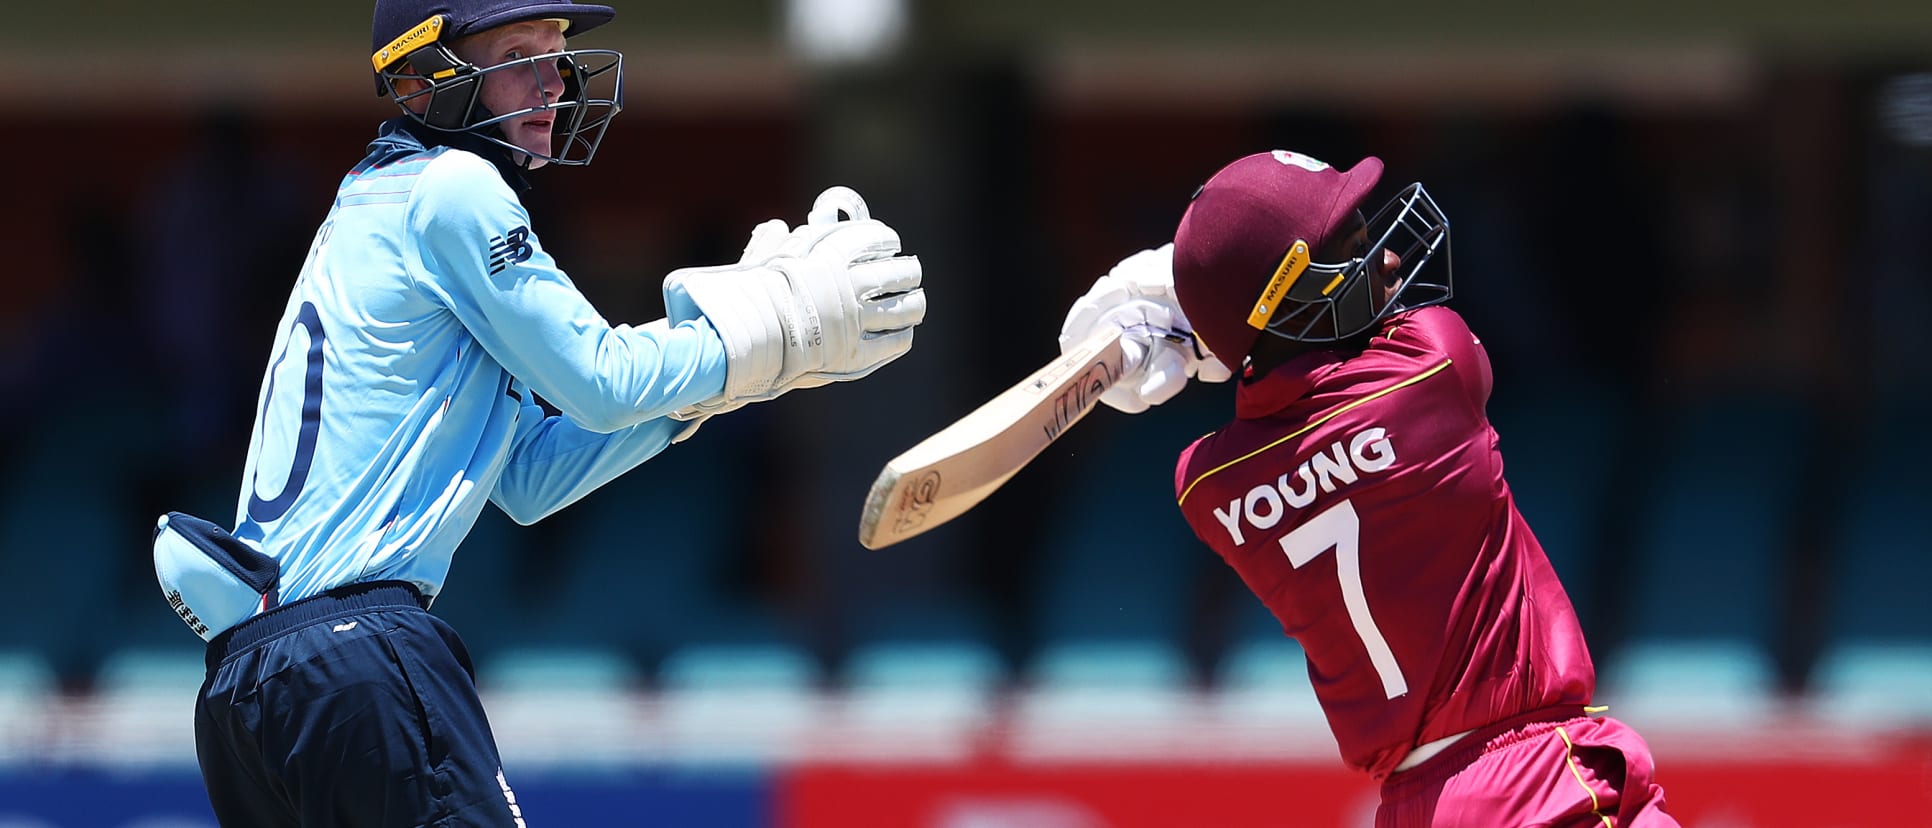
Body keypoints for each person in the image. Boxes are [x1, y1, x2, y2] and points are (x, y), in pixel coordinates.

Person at [147, 0, 925, 824]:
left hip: (256, 681)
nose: (551, 81)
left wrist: (728, 380)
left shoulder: (375, 200)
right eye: (519, 53)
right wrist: (775, 328)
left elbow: (528, 477)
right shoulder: (456, 188)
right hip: (358, 651)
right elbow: (602, 380)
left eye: (555, 54)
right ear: (425, 78)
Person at [1057, 149, 1674, 826]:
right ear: (1289, 300)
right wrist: (1193, 317)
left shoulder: (1206, 486)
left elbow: (1270, 378)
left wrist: (1204, 323)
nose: (1387, 261)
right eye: (1350, 251)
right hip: (1534, 785)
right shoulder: (1433, 366)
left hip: (1415, 807)